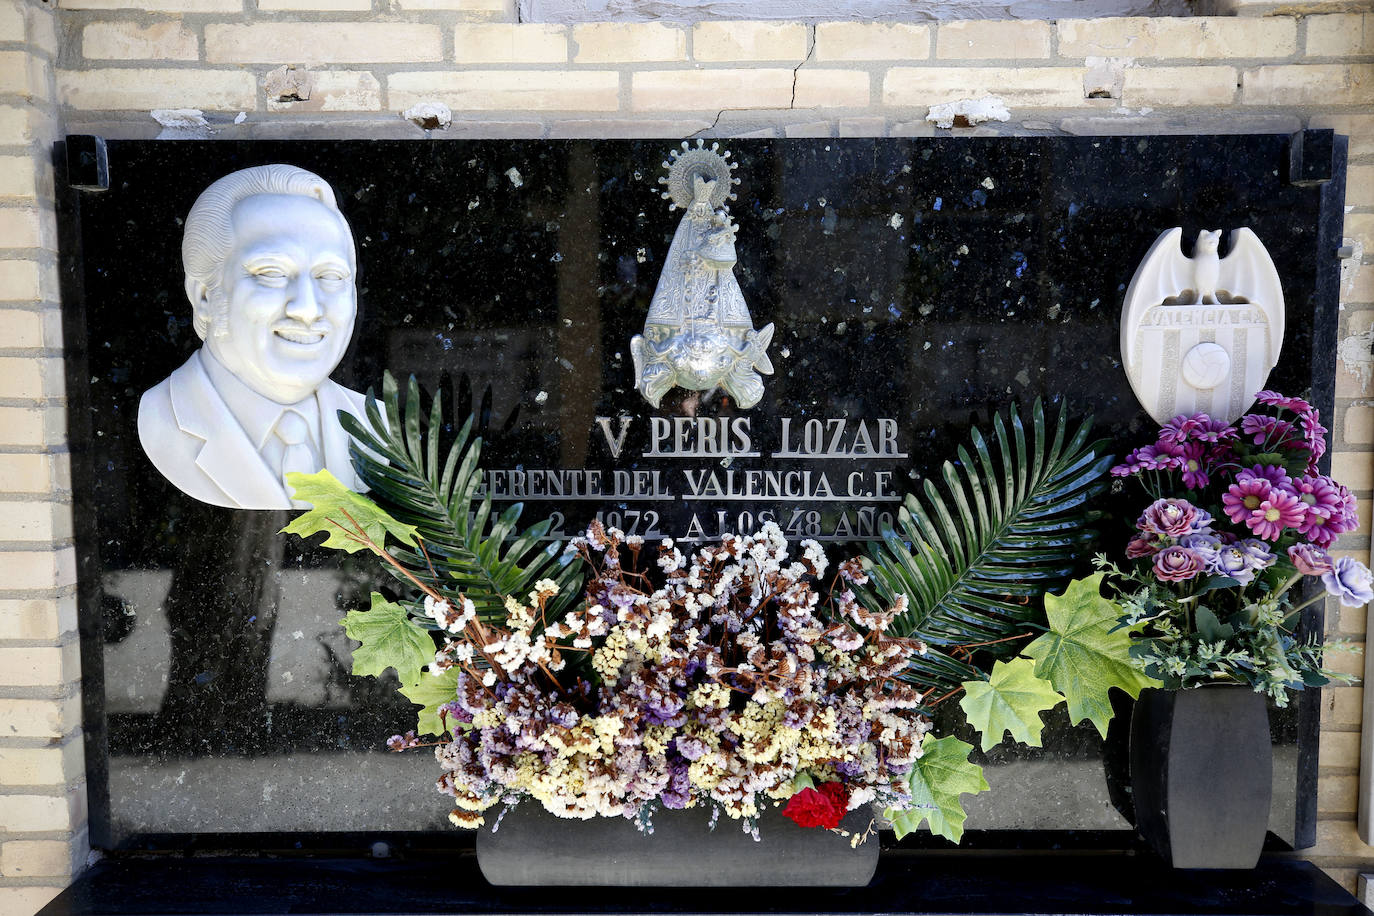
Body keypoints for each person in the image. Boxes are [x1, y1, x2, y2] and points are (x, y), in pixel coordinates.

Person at [138, 164, 370, 510]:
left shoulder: (381, 427)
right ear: (204, 297)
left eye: (330, 275)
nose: (307, 309)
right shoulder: (161, 418)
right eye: (272, 273)